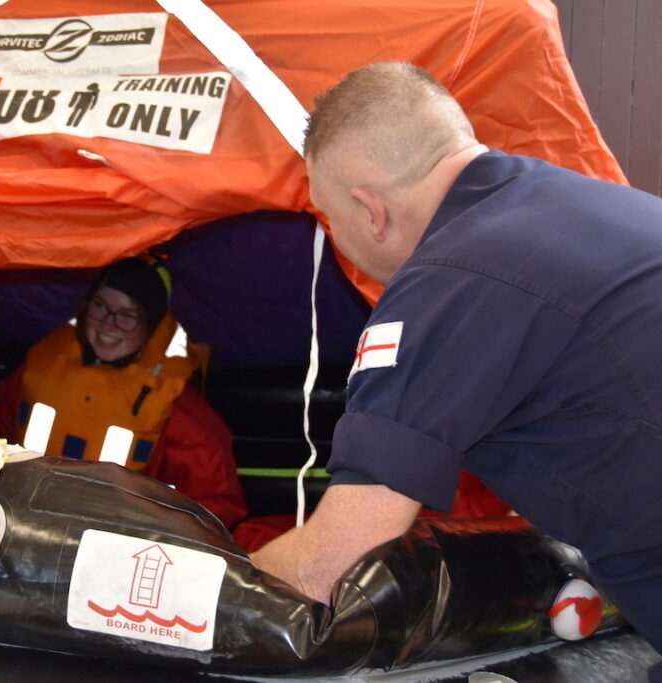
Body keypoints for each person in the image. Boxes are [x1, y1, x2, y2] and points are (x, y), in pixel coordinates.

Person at [250, 61, 662, 676]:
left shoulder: (448, 281)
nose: (335, 235)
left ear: (370, 210)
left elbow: (330, 569)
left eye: (327, 216)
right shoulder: (589, 205)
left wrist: (202, 586)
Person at [0, 257, 247, 528]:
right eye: (101, 306)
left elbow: (216, 504)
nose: (108, 324)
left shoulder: (179, 407)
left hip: (110, 542)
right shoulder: (36, 371)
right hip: (21, 525)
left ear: (151, 327)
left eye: (128, 315)